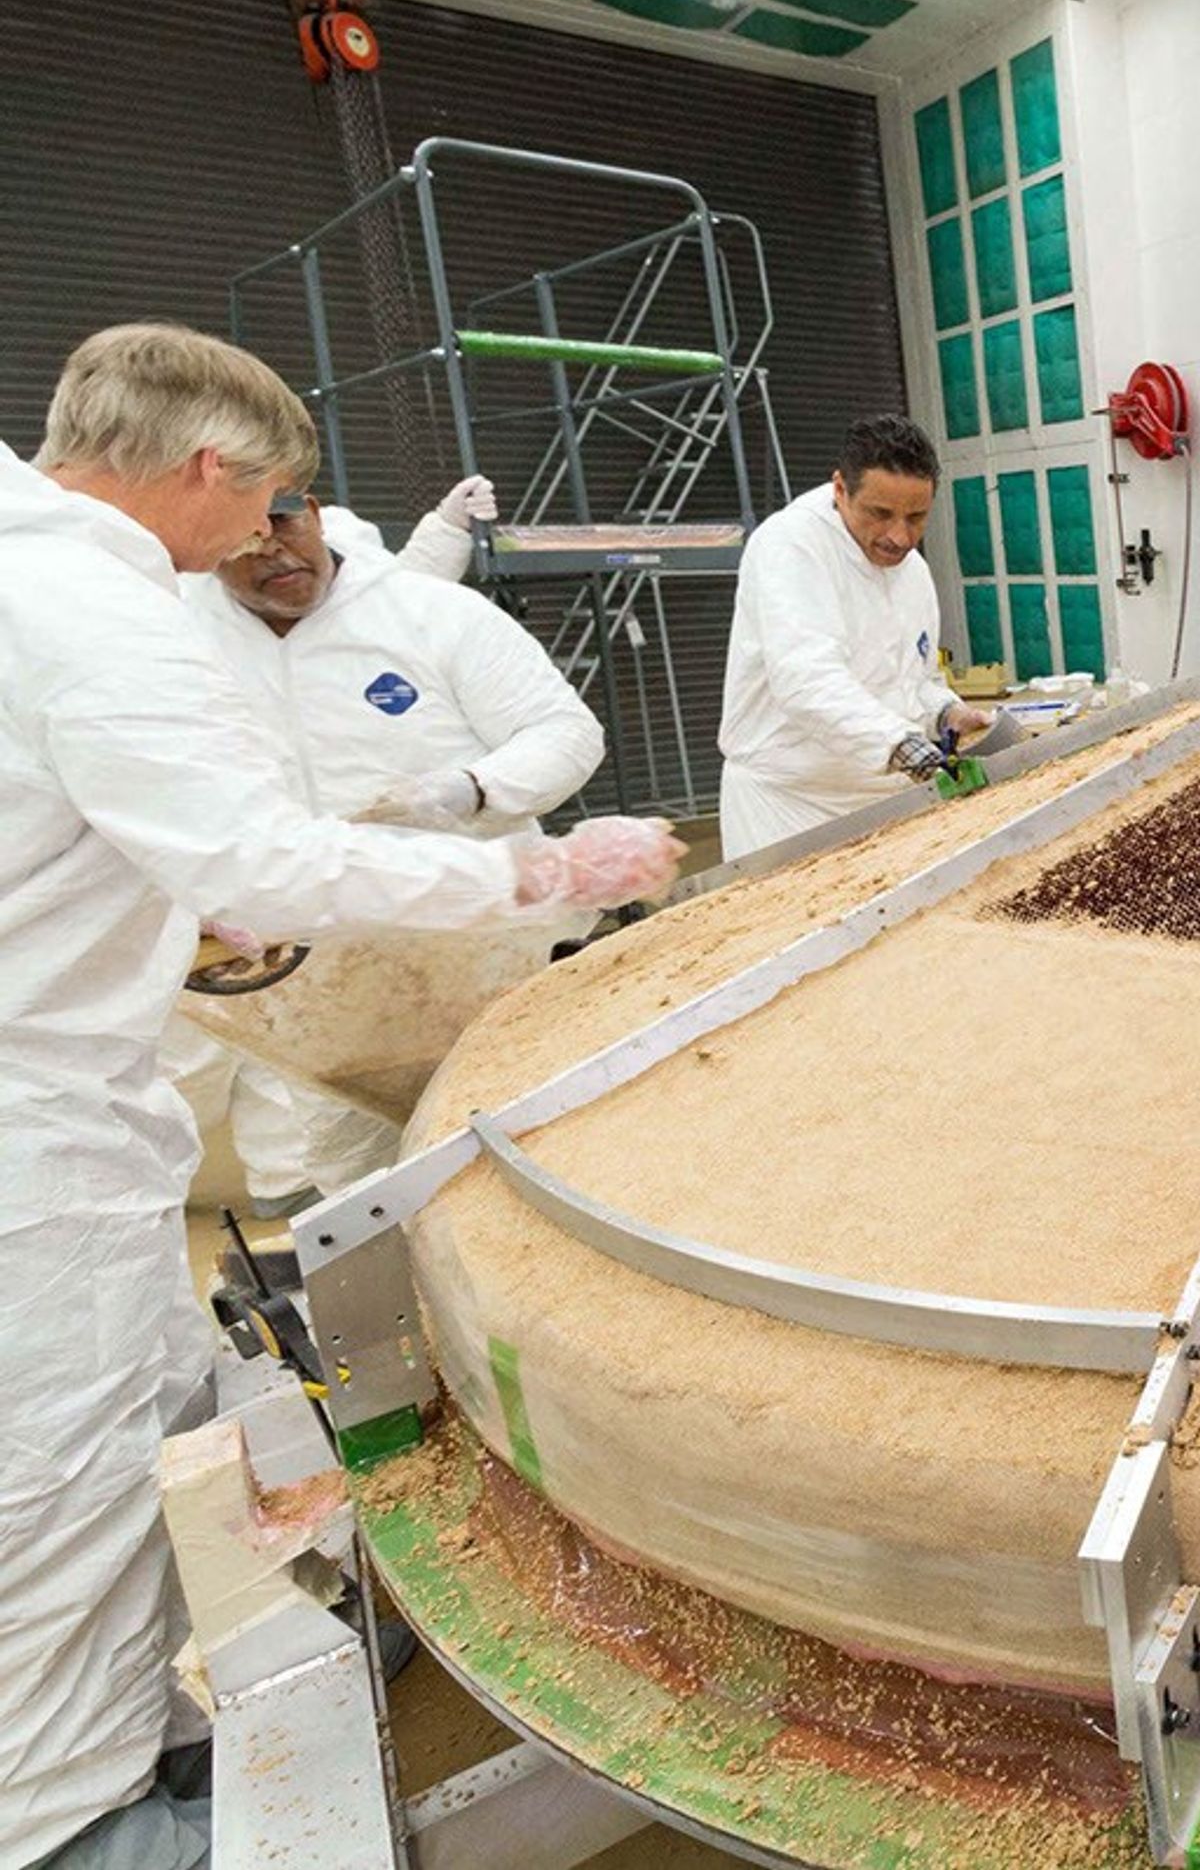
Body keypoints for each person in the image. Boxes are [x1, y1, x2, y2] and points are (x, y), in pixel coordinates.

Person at [0, 323, 682, 1870]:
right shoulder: (91, 602)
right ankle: (68, 1821)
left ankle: (159, 1727)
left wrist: (196, 899)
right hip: (34, 1132)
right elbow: (255, 846)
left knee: (144, 1425)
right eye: (265, 501)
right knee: (54, 1469)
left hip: (79, 1077)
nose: (265, 535)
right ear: (204, 470)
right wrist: (543, 865)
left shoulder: (44, 570)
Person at [165, 486, 607, 1211]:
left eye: (284, 521)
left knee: (543, 1138)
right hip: (324, 979)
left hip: (482, 945)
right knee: (363, 1180)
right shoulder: (180, 640)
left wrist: (467, 788)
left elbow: (565, 731)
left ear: (312, 508)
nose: (270, 548)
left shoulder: (427, 614)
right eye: (243, 538)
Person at [715, 413, 993, 858]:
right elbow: (807, 681)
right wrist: (899, 743)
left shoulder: (912, 571)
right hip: (790, 806)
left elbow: (914, 679)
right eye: (880, 514)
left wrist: (946, 713)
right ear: (840, 489)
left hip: (886, 798)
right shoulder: (791, 546)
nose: (900, 537)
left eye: (917, 517)